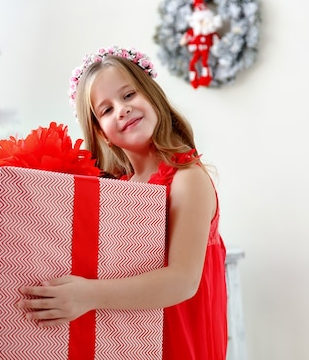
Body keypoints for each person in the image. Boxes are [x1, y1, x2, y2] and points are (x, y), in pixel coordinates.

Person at [18, 46, 228, 359]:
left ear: (152, 96)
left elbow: (183, 281)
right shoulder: (118, 191)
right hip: (130, 337)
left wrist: (88, 294)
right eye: (106, 109)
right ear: (101, 134)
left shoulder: (187, 179)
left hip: (181, 340)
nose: (122, 109)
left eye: (129, 95)